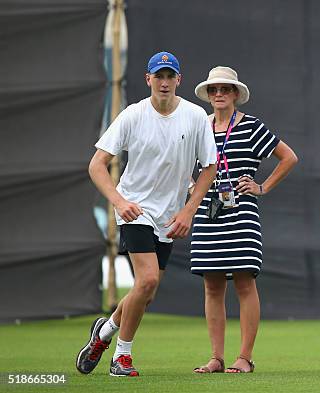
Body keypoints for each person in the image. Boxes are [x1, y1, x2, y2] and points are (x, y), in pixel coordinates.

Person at [76, 51, 218, 377]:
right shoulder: (132, 115)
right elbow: (97, 165)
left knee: (146, 292)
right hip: (135, 209)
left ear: (179, 80)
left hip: (170, 217)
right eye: (159, 76)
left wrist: (188, 210)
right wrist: (120, 201)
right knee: (149, 279)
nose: (164, 82)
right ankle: (120, 358)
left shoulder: (196, 117)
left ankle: (104, 333)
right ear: (148, 79)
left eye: (170, 76)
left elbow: (209, 167)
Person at [190, 66, 298, 374]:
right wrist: (191, 187)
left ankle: (245, 358)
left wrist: (262, 187)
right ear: (208, 95)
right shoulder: (199, 127)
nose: (219, 94)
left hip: (241, 214)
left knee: (244, 283)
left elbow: (289, 157)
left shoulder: (251, 126)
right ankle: (216, 357)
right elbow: (183, 159)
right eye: (214, 90)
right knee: (211, 286)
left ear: (236, 94)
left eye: (225, 89)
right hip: (208, 213)